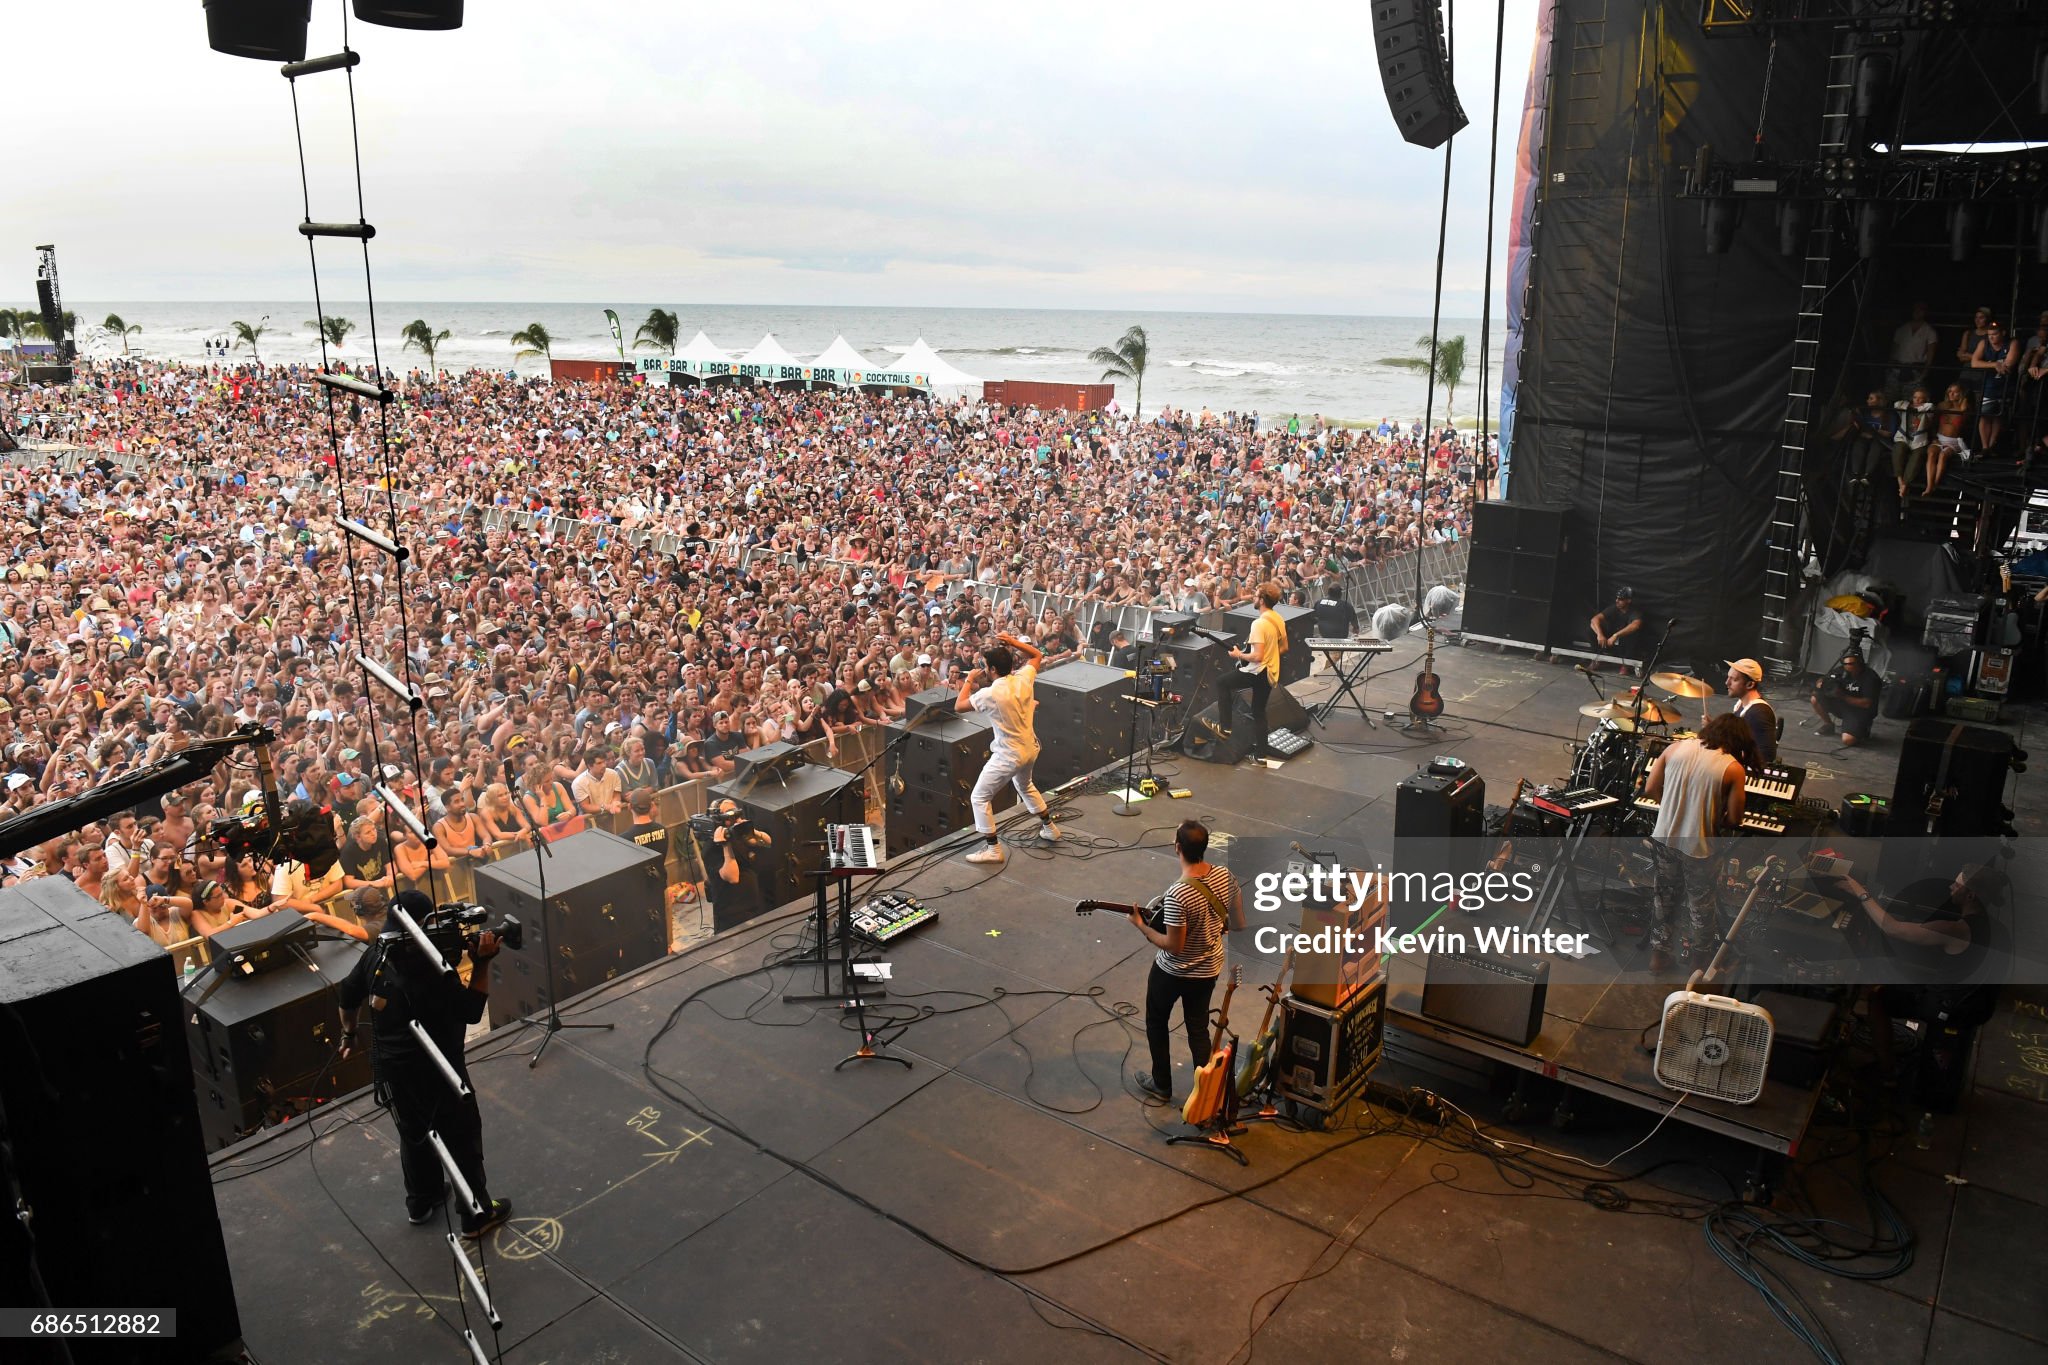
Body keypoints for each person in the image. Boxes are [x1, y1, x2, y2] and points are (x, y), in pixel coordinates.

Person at [337, 890, 511, 1237]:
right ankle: (476, 1216)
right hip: (439, 1069)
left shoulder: (376, 954)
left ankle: (422, 1200)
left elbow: (347, 994)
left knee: (414, 1134)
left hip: (394, 1069)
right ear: (424, 924)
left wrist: (349, 1033)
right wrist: (483, 962)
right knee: (461, 1136)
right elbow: (473, 1010)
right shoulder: (432, 968)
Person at [1130, 819, 1245, 1104]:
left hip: (1171, 973)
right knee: (1198, 1027)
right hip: (1207, 970)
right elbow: (1239, 923)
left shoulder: (1178, 893)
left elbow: (1174, 946)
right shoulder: (1225, 876)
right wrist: (1217, 924)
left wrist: (1142, 927)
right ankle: (1205, 1091)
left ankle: (1162, 1084)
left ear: (1177, 848)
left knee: (1156, 1021)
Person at [1640, 713, 1753, 972]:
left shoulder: (1675, 748)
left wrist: (1669, 807)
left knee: (1664, 899)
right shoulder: (1732, 767)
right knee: (1701, 906)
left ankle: (1658, 959)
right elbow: (1735, 819)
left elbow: (1649, 789)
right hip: (1700, 847)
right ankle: (1699, 965)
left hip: (1665, 838)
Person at [957, 631, 1060, 864]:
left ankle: (993, 850)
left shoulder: (991, 693)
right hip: (1030, 747)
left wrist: (969, 680)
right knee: (1024, 784)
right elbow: (1037, 654)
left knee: (979, 798)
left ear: (992, 670)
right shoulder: (1023, 678)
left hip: (1009, 753)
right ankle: (1050, 827)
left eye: (984, 666)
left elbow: (959, 706)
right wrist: (1012, 641)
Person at [1207, 581, 1287, 758]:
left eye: (1256, 595)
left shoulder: (1259, 624)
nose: (1253, 597)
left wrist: (1238, 655)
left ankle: (1225, 728)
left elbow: (1257, 656)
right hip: (1270, 672)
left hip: (1257, 671)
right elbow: (1284, 647)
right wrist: (1269, 655)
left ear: (1262, 600)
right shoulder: (1278, 618)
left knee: (1222, 683)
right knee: (1258, 711)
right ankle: (1261, 755)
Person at [700, 797, 772, 931]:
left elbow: (768, 842)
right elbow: (733, 877)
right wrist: (726, 845)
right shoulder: (711, 848)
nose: (733, 820)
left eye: (736, 814)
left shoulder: (739, 835)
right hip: (731, 914)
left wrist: (750, 830)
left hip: (753, 906)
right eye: (729, 816)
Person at [1808, 649, 1882, 746]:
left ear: (1860, 662)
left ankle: (1863, 728)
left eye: (1851, 664)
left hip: (1859, 710)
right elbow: (1824, 679)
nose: (1847, 666)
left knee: (1848, 740)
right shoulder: (1842, 670)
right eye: (1845, 663)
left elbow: (1866, 703)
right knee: (1815, 698)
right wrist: (1821, 683)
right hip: (1842, 703)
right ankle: (1829, 725)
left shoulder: (1870, 678)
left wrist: (1843, 696)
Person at [1723, 657, 1778, 765]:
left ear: (1750, 684)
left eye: (1734, 679)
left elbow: (1767, 756)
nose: (1727, 683)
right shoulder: (1741, 705)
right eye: (1728, 677)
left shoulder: (1758, 713)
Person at [1589, 587, 1644, 670]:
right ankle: (1597, 659)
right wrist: (1600, 635)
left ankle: (1626, 664)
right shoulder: (1614, 608)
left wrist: (1616, 635)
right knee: (1592, 627)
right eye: (1617, 598)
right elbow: (1595, 619)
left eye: (1620, 599)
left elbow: (1636, 625)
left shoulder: (1635, 611)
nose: (1617, 601)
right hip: (1609, 640)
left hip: (1624, 642)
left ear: (1628, 600)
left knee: (1634, 633)